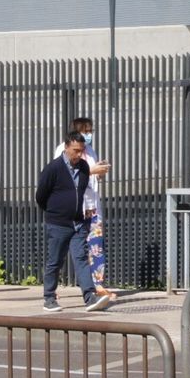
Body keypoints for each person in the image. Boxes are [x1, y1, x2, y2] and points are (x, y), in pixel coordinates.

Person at [35, 130, 114, 313]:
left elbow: (81, 192)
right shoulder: (53, 168)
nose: (79, 155)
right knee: (55, 260)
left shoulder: (84, 167)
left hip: (78, 222)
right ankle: (49, 297)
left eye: (81, 150)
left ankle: (90, 296)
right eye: (75, 150)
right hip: (58, 223)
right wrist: (55, 211)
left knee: (81, 259)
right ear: (66, 147)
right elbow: (41, 195)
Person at [53, 116, 118, 299]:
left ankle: (98, 284)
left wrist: (100, 172)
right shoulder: (62, 151)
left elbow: (92, 177)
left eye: (90, 131)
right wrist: (91, 170)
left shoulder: (90, 151)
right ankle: (52, 286)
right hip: (73, 206)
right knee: (62, 247)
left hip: (92, 205)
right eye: (85, 131)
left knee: (96, 247)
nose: (88, 135)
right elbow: (65, 175)